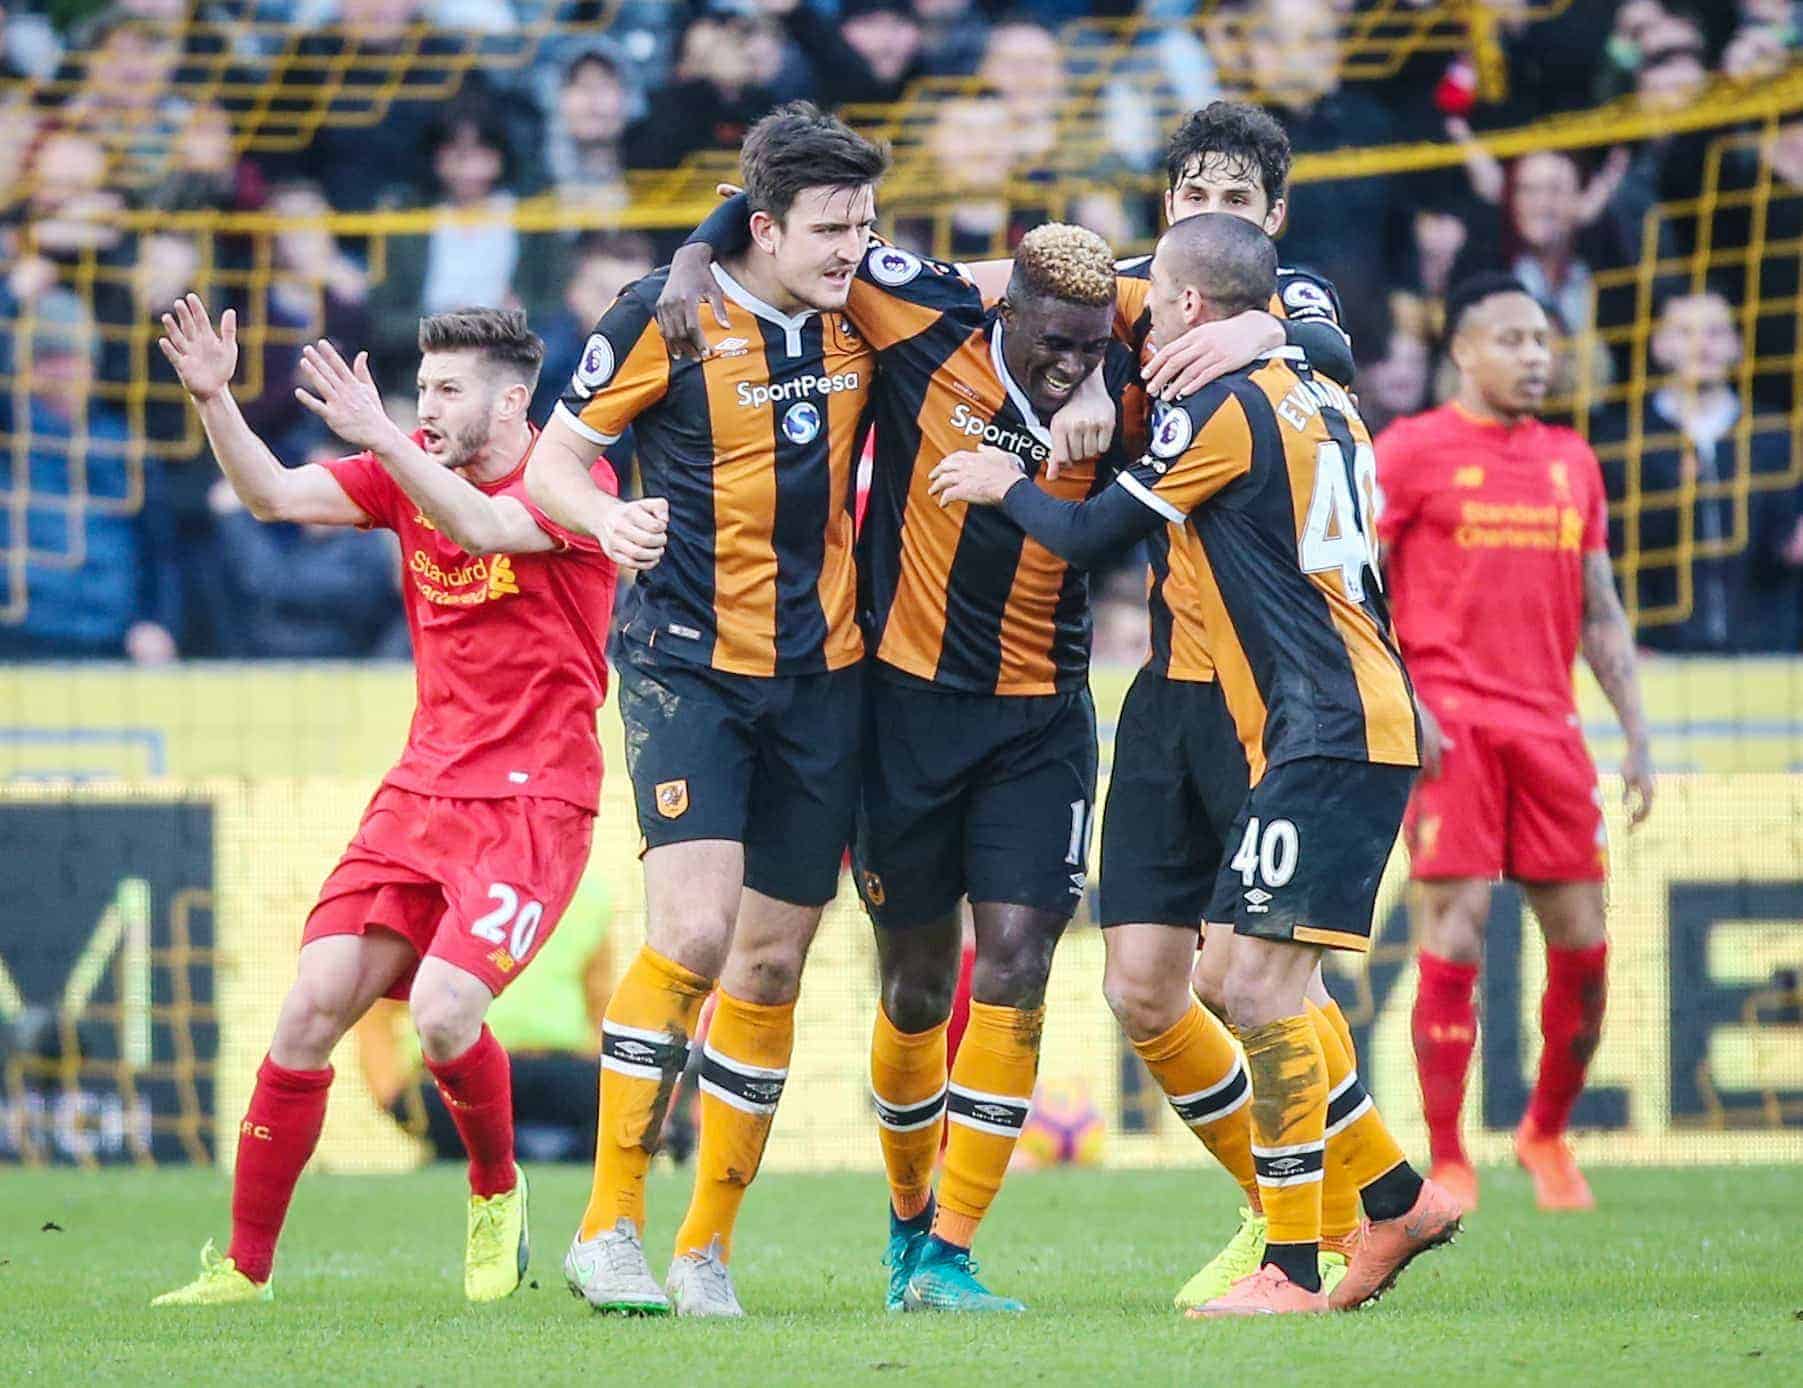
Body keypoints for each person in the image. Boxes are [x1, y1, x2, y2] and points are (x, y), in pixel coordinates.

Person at [930, 212, 1462, 1318]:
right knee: (1222, 974)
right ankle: (1397, 1194)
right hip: (1315, 721)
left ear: (1186, 307)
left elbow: (1088, 539)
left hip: (1326, 724)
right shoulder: (1322, 392)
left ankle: (1293, 1263)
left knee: (1259, 985)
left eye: (1157, 295)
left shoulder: (1227, 405)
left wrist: (1001, 477)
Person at [148, 300, 644, 1306]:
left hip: (535, 796)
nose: (426, 407)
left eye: (447, 390)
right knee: (309, 1006)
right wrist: (213, 399)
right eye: (421, 390)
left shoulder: (566, 473)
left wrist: (380, 433)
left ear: (514, 400)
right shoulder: (407, 468)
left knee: (445, 1009)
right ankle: (242, 1269)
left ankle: (495, 1191)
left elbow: (487, 524)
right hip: (420, 789)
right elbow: (274, 496)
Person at [525, 102, 886, 1319]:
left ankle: (705, 1248)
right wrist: (603, 517)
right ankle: (607, 1223)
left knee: (772, 961)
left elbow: (990, 282)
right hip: (687, 659)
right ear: (766, 225)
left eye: (868, 222)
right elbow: (550, 462)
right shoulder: (663, 314)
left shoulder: (864, 304)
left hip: (824, 671)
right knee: (690, 934)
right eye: (833, 226)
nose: (856, 246)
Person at [1377, 274, 1655, 1215]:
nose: (1535, 358)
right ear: (1461, 349)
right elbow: (1356, 585)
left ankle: (1544, 1131)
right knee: (1450, 932)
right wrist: (1398, 698)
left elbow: (1601, 607)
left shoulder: (1572, 459)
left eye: (1543, 341)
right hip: (1451, 727)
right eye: (1512, 339)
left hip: (1550, 730)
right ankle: (1449, 1157)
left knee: (1583, 945)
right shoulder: (1408, 452)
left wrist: (1637, 734)